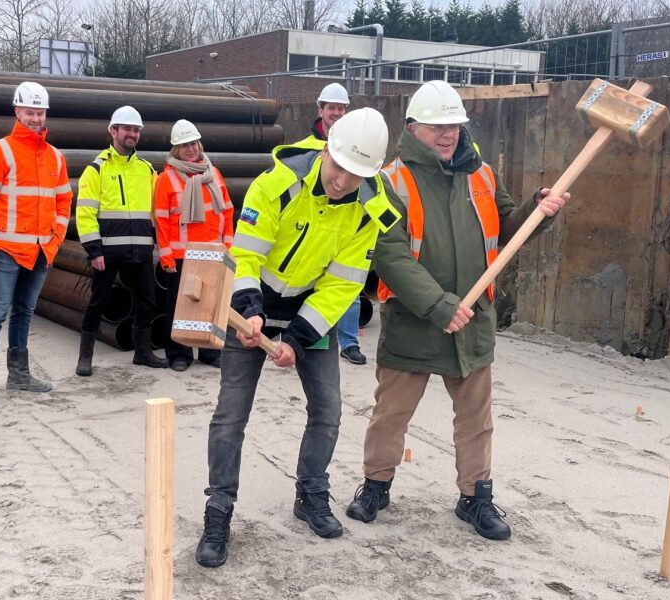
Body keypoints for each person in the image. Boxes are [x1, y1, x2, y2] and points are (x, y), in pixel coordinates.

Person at [345, 80, 569, 541]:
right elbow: (390, 255)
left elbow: (509, 227)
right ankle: (376, 486)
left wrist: (538, 210)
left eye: (454, 125)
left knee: (476, 419)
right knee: (391, 414)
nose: (448, 134)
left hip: (474, 323)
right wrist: (440, 306)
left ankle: (476, 497)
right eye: (437, 126)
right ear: (412, 128)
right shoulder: (390, 181)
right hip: (414, 322)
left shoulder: (482, 175)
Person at [195, 108, 401, 568]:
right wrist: (251, 314)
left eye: (358, 174)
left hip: (312, 307)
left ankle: (310, 494)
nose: (344, 181)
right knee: (231, 414)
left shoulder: (371, 208)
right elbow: (244, 256)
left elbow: (344, 283)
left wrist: (301, 337)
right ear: (326, 148)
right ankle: (218, 510)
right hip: (254, 298)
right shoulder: (279, 181)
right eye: (340, 166)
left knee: (328, 409)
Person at [0, 82, 72, 408]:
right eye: (30, 112)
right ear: (17, 111)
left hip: (40, 250)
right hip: (5, 249)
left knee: (25, 312)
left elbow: (63, 202)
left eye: (40, 112)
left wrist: (54, 242)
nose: (35, 118)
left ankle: (19, 375)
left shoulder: (55, 157)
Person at [74, 106, 168, 375]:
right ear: (113, 131)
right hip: (107, 251)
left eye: (136, 130)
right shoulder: (97, 168)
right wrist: (94, 251)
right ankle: (85, 358)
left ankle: (142, 352)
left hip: (140, 251)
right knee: (98, 301)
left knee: (148, 301)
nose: (132, 134)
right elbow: (85, 212)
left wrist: (158, 246)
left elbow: (155, 211)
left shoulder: (147, 169)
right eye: (127, 129)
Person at [154, 119, 234, 372]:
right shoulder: (166, 178)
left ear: (200, 145)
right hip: (181, 255)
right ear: (175, 150)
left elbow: (228, 212)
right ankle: (179, 353)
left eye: (193, 144)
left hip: (211, 253)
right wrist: (166, 256)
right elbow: (161, 220)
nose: (190, 149)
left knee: (210, 304)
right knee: (180, 307)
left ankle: (210, 352)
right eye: (184, 145)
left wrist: (228, 246)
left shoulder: (214, 173)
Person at [297, 83, 367, 366]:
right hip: (311, 230)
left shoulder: (355, 145)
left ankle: (349, 343)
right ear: (321, 110)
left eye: (341, 108)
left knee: (349, 287)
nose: (336, 112)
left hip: (344, 228)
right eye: (331, 108)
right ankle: (302, 340)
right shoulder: (304, 147)